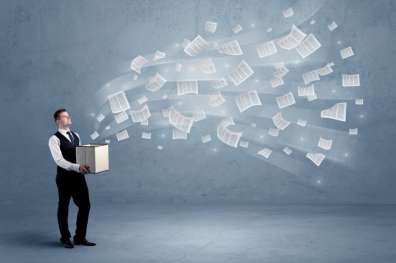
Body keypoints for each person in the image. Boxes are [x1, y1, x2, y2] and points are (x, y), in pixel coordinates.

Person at [48, 108, 96, 248]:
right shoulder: (54, 139)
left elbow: (80, 155)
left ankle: (80, 237)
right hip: (64, 178)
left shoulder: (76, 135)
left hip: (78, 177)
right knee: (64, 207)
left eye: (69, 115)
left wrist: (88, 165)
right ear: (58, 121)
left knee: (85, 205)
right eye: (65, 116)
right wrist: (77, 167)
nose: (69, 118)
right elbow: (59, 160)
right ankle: (65, 237)